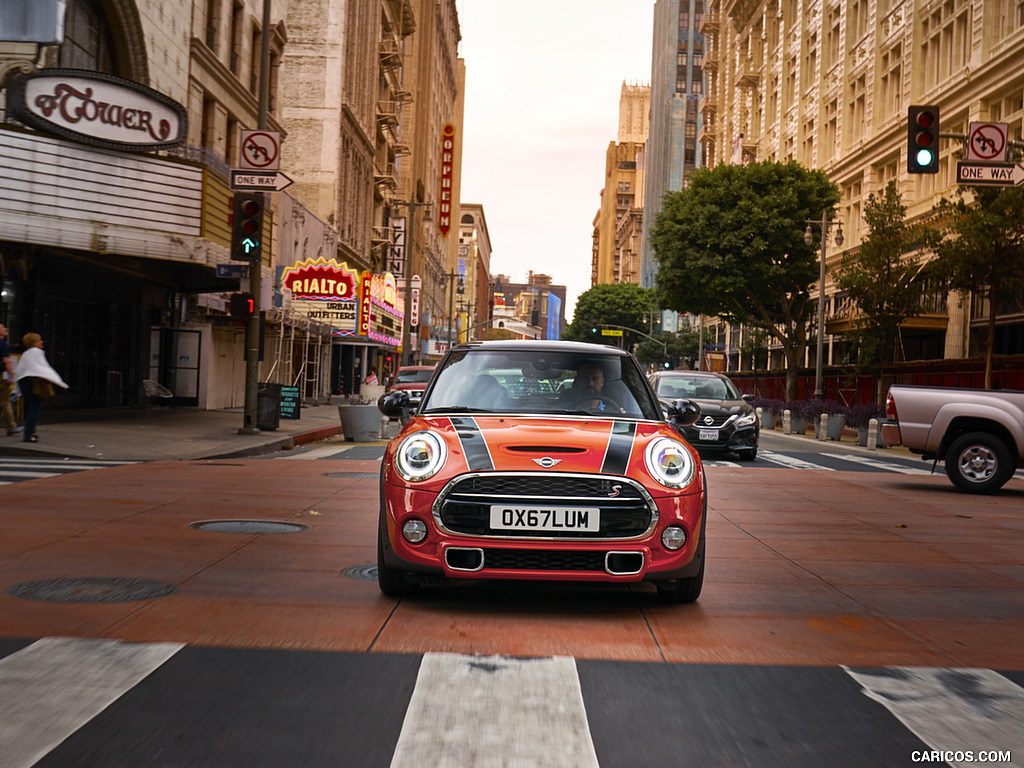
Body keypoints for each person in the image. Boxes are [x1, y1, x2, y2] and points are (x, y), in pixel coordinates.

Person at [13, 333, 69, 443]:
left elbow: (20, 370)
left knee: (29, 407)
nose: (41, 342)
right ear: (34, 342)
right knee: (35, 408)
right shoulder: (37, 353)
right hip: (35, 382)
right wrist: (57, 380)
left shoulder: (26, 354)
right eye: (39, 340)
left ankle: (30, 431)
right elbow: (43, 368)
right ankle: (29, 434)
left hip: (24, 382)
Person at [0, 324, 22, 436]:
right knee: (5, 402)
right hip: (1, 376)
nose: (6, 329)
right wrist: (11, 376)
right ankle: (11, 427)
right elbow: (6, 361)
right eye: (3, 328)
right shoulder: (2, 343)